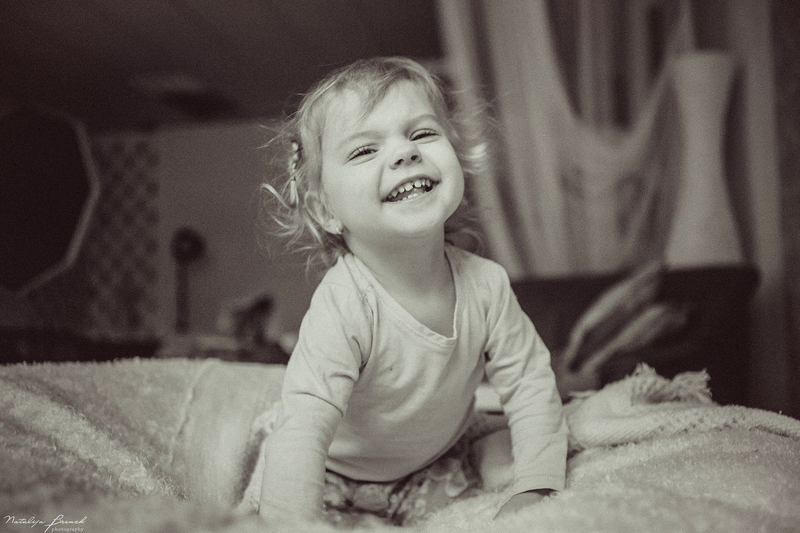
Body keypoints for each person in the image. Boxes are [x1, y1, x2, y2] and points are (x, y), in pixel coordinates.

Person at [252, 56, 567, 526]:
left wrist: (536, 486)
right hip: (335, 471)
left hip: (430, 463)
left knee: (501, 467)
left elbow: (530, 384)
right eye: (364, 150)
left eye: (421, 133)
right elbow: (304, 428)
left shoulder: (487, 286)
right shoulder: (344, 304)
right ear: (325, 211)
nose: (405, 153)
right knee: (276, 494)